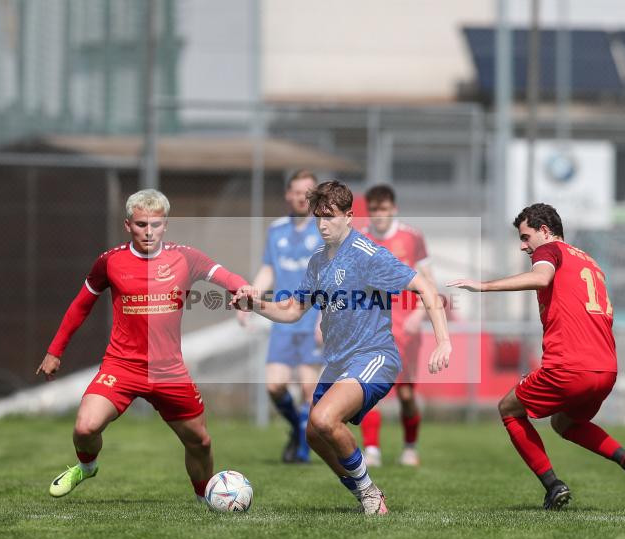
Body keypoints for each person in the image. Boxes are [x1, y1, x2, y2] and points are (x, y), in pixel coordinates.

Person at [233, 180, 451, 514]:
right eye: (318, 216)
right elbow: (292, 310)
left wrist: (443, 341)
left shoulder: (368, 255)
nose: (322, 224)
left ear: (349, 216)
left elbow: (424, 285)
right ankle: (364, 489)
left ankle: (369, 492)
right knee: (314, 435)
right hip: (338, 362)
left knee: (323, 418)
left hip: (375, 355)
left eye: (330, 216)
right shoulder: (318, 262)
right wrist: (256, 305)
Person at [37, 189, 251, 501]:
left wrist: (242, 287)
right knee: (85, 428)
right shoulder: (110, 262)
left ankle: (206, 497)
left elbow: (222, 275)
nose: (148, 232)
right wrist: (55, 351)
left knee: (200, 442)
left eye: (155, 224)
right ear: (128, 225)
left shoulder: (185, 257)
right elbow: (81, 305)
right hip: (122, 366)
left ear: (165, 224)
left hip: (169, 371)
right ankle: (87, 466)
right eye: (140, 225)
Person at [447, 203, 625, 510]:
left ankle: (553, 485)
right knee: (564, 423)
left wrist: (484, 286)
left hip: (569, 366)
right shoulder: (590, 262)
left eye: (525, 236)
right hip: (606, 368)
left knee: (508, 408)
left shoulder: (550, 251)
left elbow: (541, 278)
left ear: (544, 231)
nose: (523, 245)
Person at [238, 170, 323, 463]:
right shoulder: (276, 230)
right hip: (283, 319)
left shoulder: (324, 229)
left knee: (309, 391)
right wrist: (251, 298)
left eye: (308, 192)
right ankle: (299, 431)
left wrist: (326, 318)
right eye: (297, 191)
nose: (302, 197)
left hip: (313, 319)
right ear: (288, 195)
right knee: (274, 386)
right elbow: (269, 270)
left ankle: (303, 448)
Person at [359, 184, 435, 467]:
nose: (379, 215)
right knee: (368, 387)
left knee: (404, 393)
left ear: (394, 209)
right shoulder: (360, 239)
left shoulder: (412, 237)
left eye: (384, 209)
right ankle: (372, 450)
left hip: (405, 329)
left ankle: (410, 446)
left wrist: (419, 313)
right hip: (371, 327)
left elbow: (427, 278)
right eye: (375, 209)